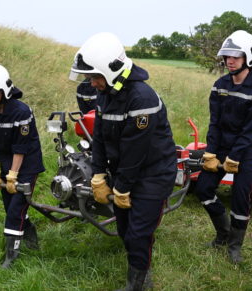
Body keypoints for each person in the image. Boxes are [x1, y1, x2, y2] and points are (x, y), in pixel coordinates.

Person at [70, 32, 177, 290]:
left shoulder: (142, 98)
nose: (92, 83)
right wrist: (98, 174)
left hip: (153, 173)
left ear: (112, 69)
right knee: (125, 229)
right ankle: (140, 268)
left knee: (139, 232)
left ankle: (138, 284)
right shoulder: (107, 92)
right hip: (124, 172)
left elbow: (135, 150)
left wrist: (122, 187)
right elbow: (100, 136)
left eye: (94, 76)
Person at [195, 30, 252, 264]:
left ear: (248, 58)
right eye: (227, 56)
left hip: (247, 149)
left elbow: (250, 130)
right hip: (222, 145)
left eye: (235, 56)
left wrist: (235, 157)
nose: (229, 61)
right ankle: (223, 234)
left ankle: (235, 246)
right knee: (203, 189)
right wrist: (210, 151)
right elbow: (215, 122)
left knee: (240, 196)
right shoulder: (220, 85)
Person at [0, 62, 45, 268]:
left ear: (5, 89)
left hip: (27, 165)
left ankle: (11, 257)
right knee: (10, 206)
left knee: (15, 210)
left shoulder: (21, 111)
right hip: (6, 164)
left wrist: (13, 175)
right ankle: (30, 233)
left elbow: (21, 148)